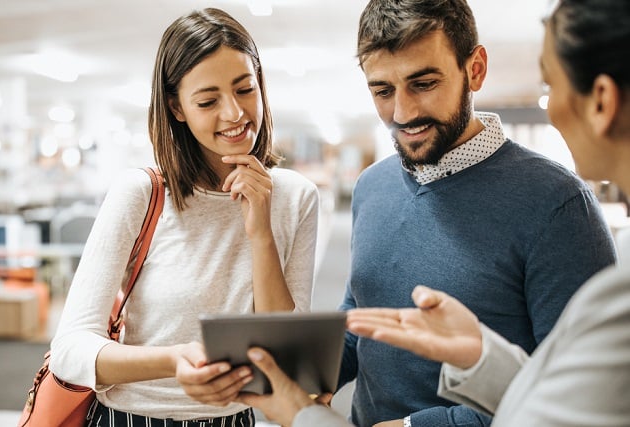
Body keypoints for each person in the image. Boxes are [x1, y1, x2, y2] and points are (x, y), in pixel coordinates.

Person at [237, 0, 630, 426]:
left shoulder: (559, 204)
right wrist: (296, 378)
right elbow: (362, 320)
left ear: (474, 69)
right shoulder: (372, 186)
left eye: (423, 83)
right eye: (383, 91)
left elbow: (577, 396)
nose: (402, 114)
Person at [48, 7, 319, 427]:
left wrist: (260, 233)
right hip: (134, 418)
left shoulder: (296, 197)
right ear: (177, 108)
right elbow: (70, 351)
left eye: (245, 89)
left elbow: (286, 358)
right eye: (208, 101)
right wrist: (175, 361)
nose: (234, 113)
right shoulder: (141, 193)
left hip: (236, 420)